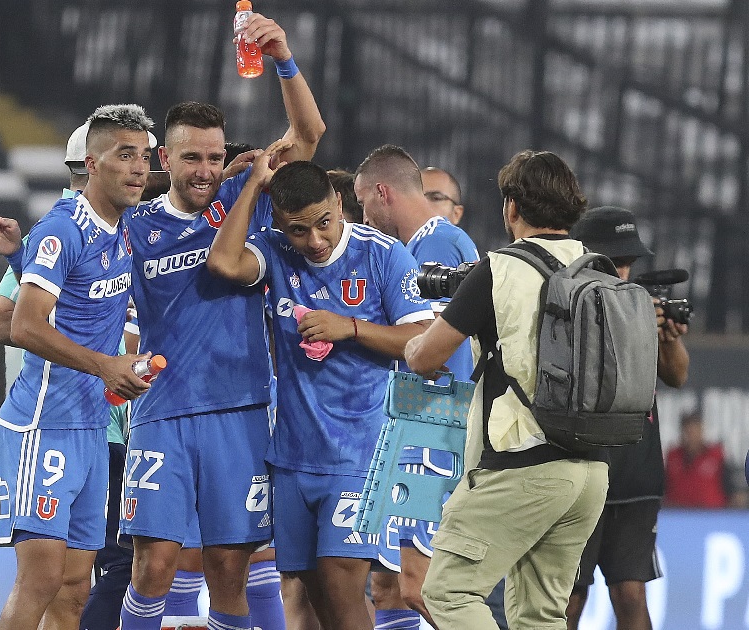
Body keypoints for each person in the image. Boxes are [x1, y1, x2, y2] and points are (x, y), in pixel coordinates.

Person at [116, 17, 325, 630]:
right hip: (161, 410)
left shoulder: (249, 204)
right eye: (191, 157)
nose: (206, 169)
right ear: (166, 158)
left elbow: (308, 135)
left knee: (229, 567)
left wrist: (282, 55)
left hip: (239, 410)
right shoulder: (134, 224)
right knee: (153, 563)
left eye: (214, 156)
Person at [207, 149, 434, 630]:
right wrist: (252, 187)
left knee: (341, 584)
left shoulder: (382, 255)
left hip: (358, 454)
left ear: (338, 199)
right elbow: (224, 263)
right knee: (311, 591)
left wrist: (350, 327)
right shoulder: (274, 250)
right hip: (292, 456)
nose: (314, 240)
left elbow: (422, 340)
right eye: (298, 229)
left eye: (324, 223)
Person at [404, 149, 608, 629]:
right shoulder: (595, 269)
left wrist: (414, 339)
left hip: (522, 464)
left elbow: (426, 357)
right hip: (590, 471)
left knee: (448, 592)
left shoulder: (499, 268)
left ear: (512, 207)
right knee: (540, 616)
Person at [0, 104, 157, 630]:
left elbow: (72, 297)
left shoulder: (121, 228)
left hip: (89, 430)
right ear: (91, 164)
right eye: (126, 156)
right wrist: (106, 365)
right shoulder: (66, 227)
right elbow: (22, 327)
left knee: (77, 588)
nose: (139, 168)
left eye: (145, 157)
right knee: (41, 580)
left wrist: (18, 256)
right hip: (43, 423)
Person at [353, 147, 480, 630]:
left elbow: (436, 350)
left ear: (383, 193)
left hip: (432, 428)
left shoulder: (439, 246)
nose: (364, 216)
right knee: (388, 586)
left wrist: (356, 330)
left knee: (418, 584)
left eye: (364, 203)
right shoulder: (425, 245)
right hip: (410, 424)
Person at [562, 204, 688, 630]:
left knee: (630, 592)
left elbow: (677, 374)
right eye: (614, 262)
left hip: (635, 473)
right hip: (580, 468)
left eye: (628, 263)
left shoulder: (641, 307)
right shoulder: (568, 304)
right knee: (569, 598)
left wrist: (663, 337)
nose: (623, 273)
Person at [664, 411, 731, 508]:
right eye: (688, 431)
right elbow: (664, 488)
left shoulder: (716, 456)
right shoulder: (673, 457)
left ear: (701, 431)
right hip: (678, 516)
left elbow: (730, 489)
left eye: (695, 430)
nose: (691, 436)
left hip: (712, 516)